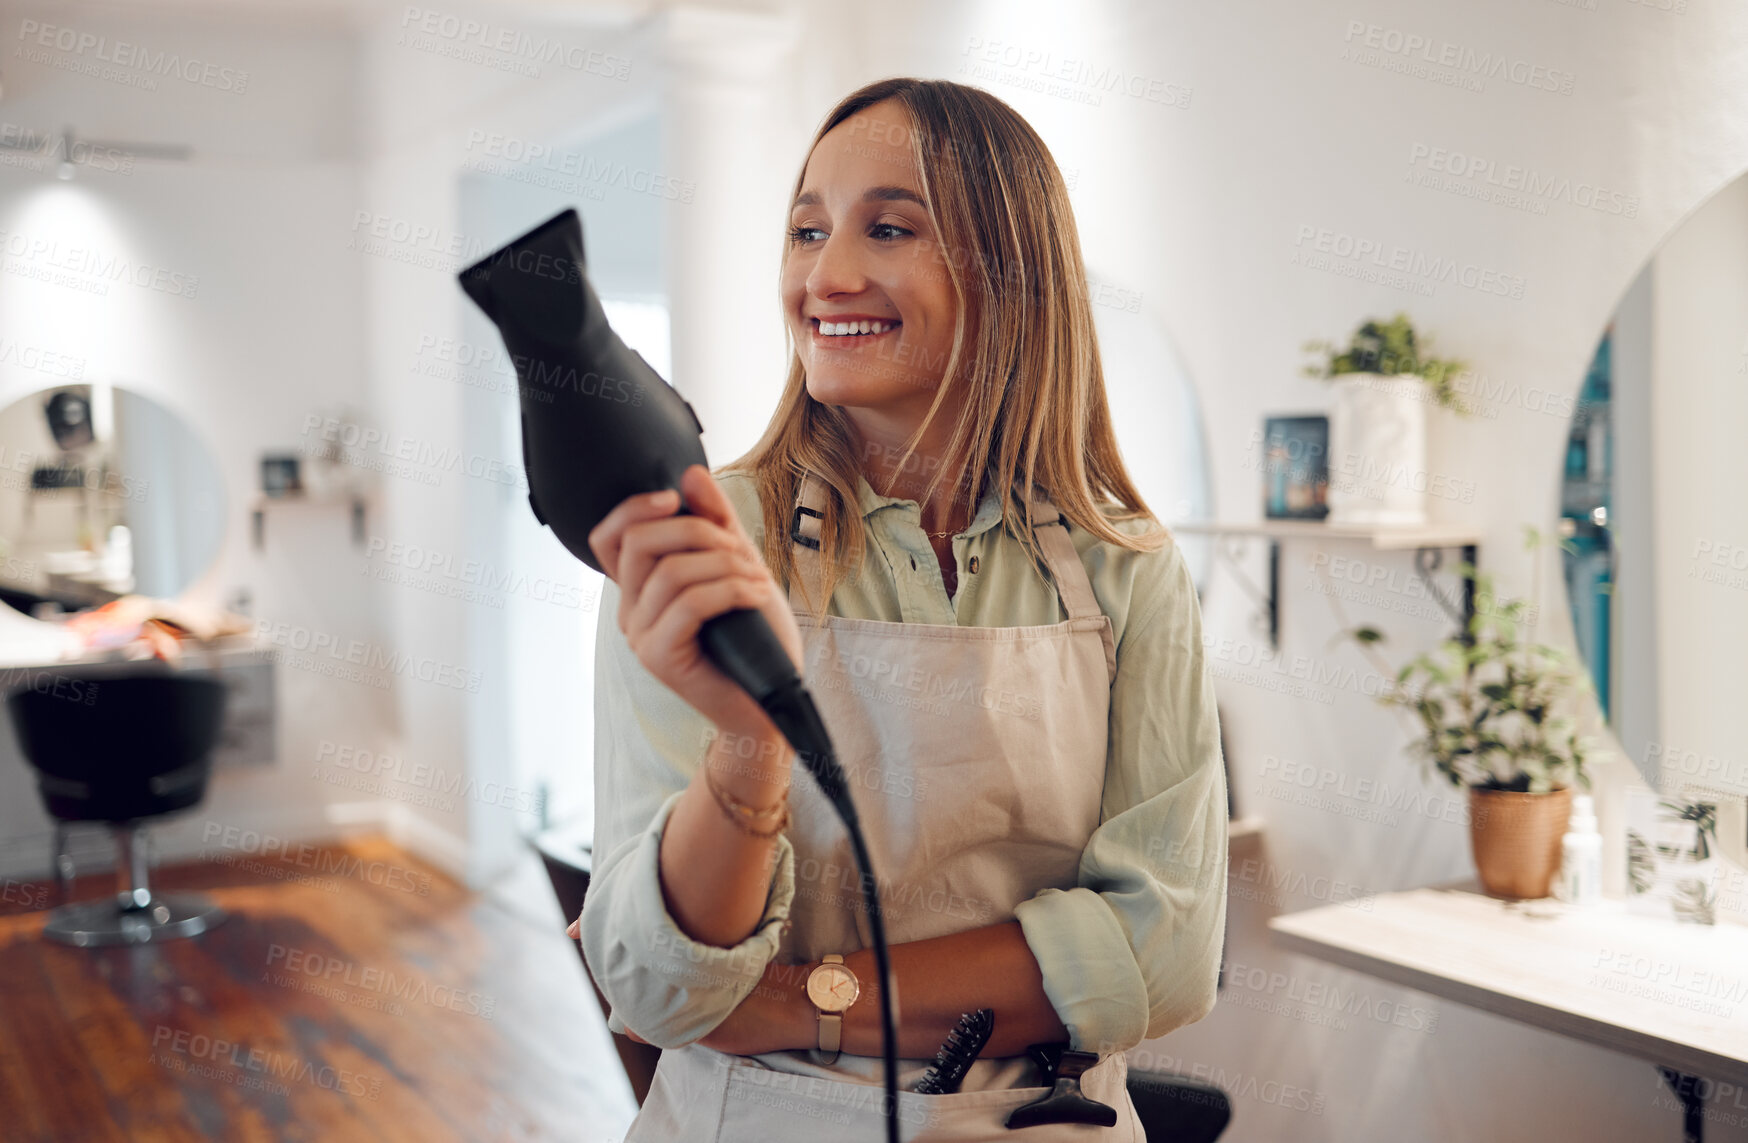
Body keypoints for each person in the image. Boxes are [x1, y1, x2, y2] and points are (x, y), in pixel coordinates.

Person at [571, 76, 1228, 1140]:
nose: (824, 276)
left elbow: (1165, 957)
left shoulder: (1124, 568)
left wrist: (801, 1001)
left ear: (1011, 275)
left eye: (888, 227)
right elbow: (662, 992)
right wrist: (748, 744)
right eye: (804, 230)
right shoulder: (704, 544)